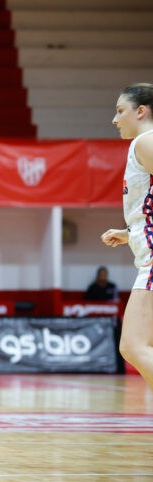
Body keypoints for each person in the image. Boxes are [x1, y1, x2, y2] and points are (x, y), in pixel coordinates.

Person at [101, 82, 153, 389]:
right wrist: (131, 232)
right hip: (145, 254)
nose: (115, 119)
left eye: (121, 111)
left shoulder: (144, 142)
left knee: (132, 346)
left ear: (141, 111)